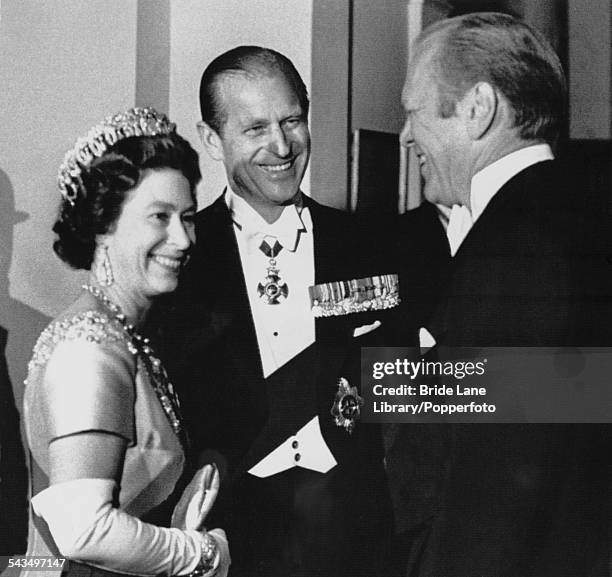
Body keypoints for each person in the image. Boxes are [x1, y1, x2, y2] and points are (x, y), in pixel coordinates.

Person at [162, 47, 401, 577]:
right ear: (211, 138)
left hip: (353, 529)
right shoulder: (180, 259)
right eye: (255, 129)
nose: (281, 145)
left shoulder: (368, 242)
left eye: (292, 120)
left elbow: (400, 385)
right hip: (229, 534)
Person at [393, 12, 612, 576]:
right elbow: (548, 398)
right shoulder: (575, 215)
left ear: (478, 108)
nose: (405, 134)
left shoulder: (517, 247)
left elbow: (495, 491)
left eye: (413, 111)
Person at [22, 107, 230, 577]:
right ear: (103, 225)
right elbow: (83, 529)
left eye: (189, 217)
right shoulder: (90, 349)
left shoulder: (123, 335)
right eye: (159, 217)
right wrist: (203, 555)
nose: (182, 238)